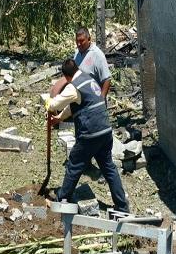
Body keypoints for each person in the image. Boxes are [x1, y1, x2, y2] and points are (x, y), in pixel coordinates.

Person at [45, 59, 129, 212]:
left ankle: (61, 201)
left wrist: (47, 103)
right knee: (108, 167)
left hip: (90, 134)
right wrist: (60, 118)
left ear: (66, 76)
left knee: (74, 165)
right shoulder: (88, 79)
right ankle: (122, 207)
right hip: (105, 131)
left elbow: (54, 104)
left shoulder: (73, 86)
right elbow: (76, 104)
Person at [50, 27, 112, 99]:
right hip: (79, 99)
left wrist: (101, 99)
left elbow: (107, 79)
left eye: (81, 41)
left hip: (93, 99)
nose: (79, 44)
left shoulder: (97, 55)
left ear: (89, 39)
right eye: (77, 41)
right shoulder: (77, 53)